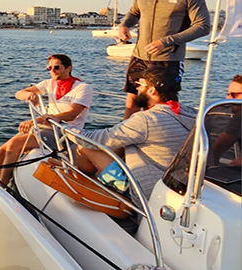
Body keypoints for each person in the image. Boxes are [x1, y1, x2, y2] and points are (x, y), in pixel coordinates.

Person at [75, 67, 195, 204]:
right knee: (124, 144)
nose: (136, 90)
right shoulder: (192, 114)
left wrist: (65, 127)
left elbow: (97, 140)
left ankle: (92, 184)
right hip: (177, 188)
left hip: (145, 194)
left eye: (139, 85)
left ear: (151, 90)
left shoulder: (147, 119)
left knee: (84, 147)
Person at [117, 0, 210, 119]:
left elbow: (203, 27)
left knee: (158, 108)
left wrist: (166, 42)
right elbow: (134, 12)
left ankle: (156, 142)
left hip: (168, 59)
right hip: (139, 57)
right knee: (133, 103)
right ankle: (123, 142)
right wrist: (124, 25)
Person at [0, 54, 93, 187]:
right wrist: (30, 95)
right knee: (1, 149)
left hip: (64, 132)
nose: (53, 71)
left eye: (57, 67)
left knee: (13, 146)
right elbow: (19, 93)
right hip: (46, 127)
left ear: (69, 68)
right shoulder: (49, 83)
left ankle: (3, 186)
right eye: (49, 68)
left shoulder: (83, 88)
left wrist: (41, 119)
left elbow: (72, 114)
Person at [207, 75, 242, 168]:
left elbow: (215, 154)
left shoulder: (239, 118)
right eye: (228, 94)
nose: (228, 99)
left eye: (234, 95)